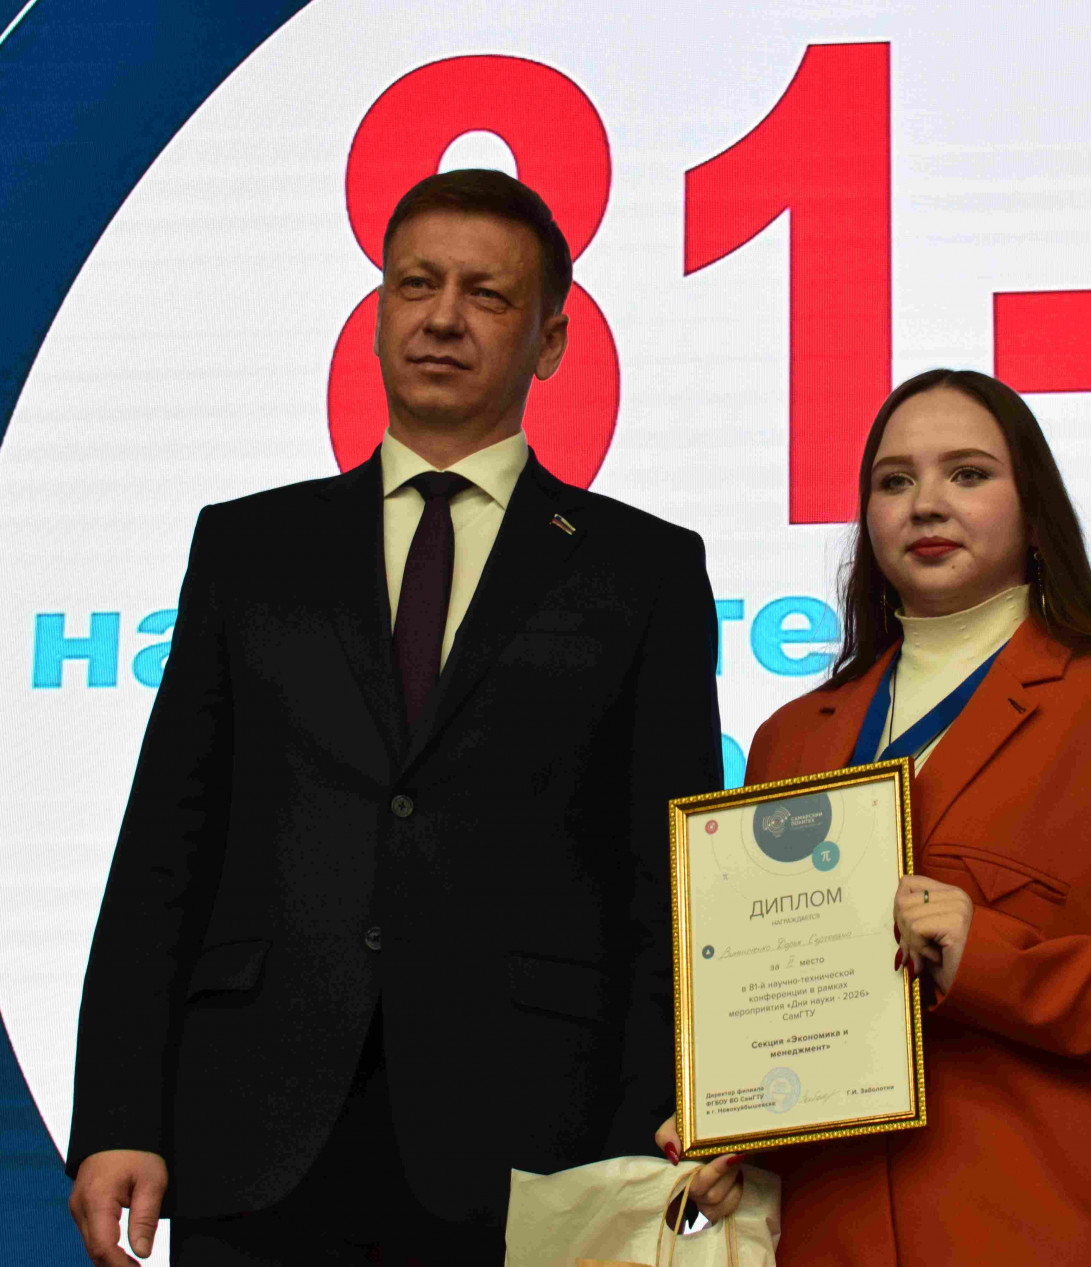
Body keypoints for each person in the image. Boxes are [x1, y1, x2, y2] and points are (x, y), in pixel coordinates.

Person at [66, 168, 723, 1266]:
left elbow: (667, 877)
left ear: (551, 341)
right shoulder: (248, 549)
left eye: (486, 294)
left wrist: (652, 1129)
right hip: (256, 1132)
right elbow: (165, 852)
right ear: (378, 314)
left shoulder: (641, 569)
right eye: (416, 283)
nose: (443, 317)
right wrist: (119, 1114)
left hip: (534, 1145)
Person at [658, 368, 1091, 1264]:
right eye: (894, 480)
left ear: (1034, 511)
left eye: (967, 474)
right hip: (830, 1230)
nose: (926, 503)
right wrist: (732, 1123)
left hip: (1041, 1226)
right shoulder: (791, 737)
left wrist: (991, 957)